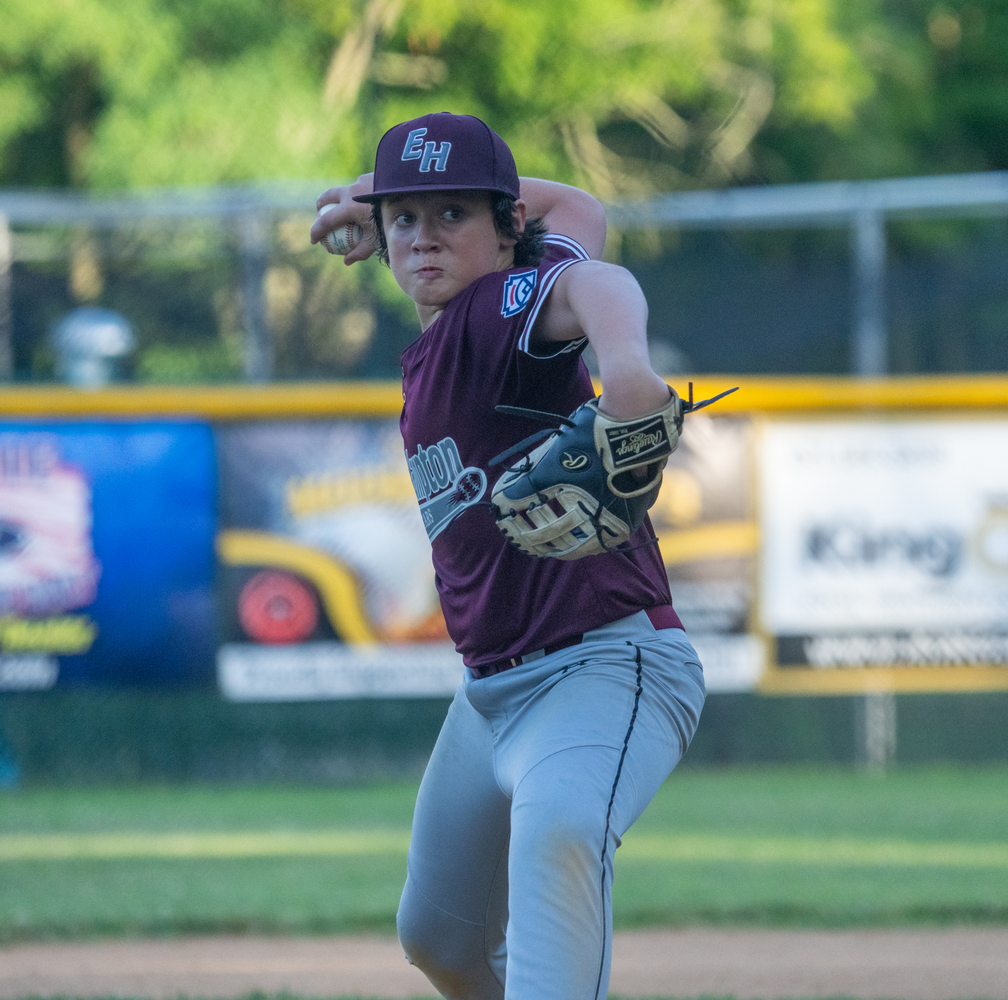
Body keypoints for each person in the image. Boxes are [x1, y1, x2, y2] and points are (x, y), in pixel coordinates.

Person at [310, 112, 704, 1000]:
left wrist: (630, 372)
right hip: (491, 693)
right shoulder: (460, 322)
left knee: (561, 829)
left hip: (606, 663)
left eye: (453, 215)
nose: (424, 237)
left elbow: (602, 282)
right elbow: (581, 207)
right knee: (439, 938)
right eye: (407, 220)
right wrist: (368, 198)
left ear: (504, 229)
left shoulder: (496, 312)